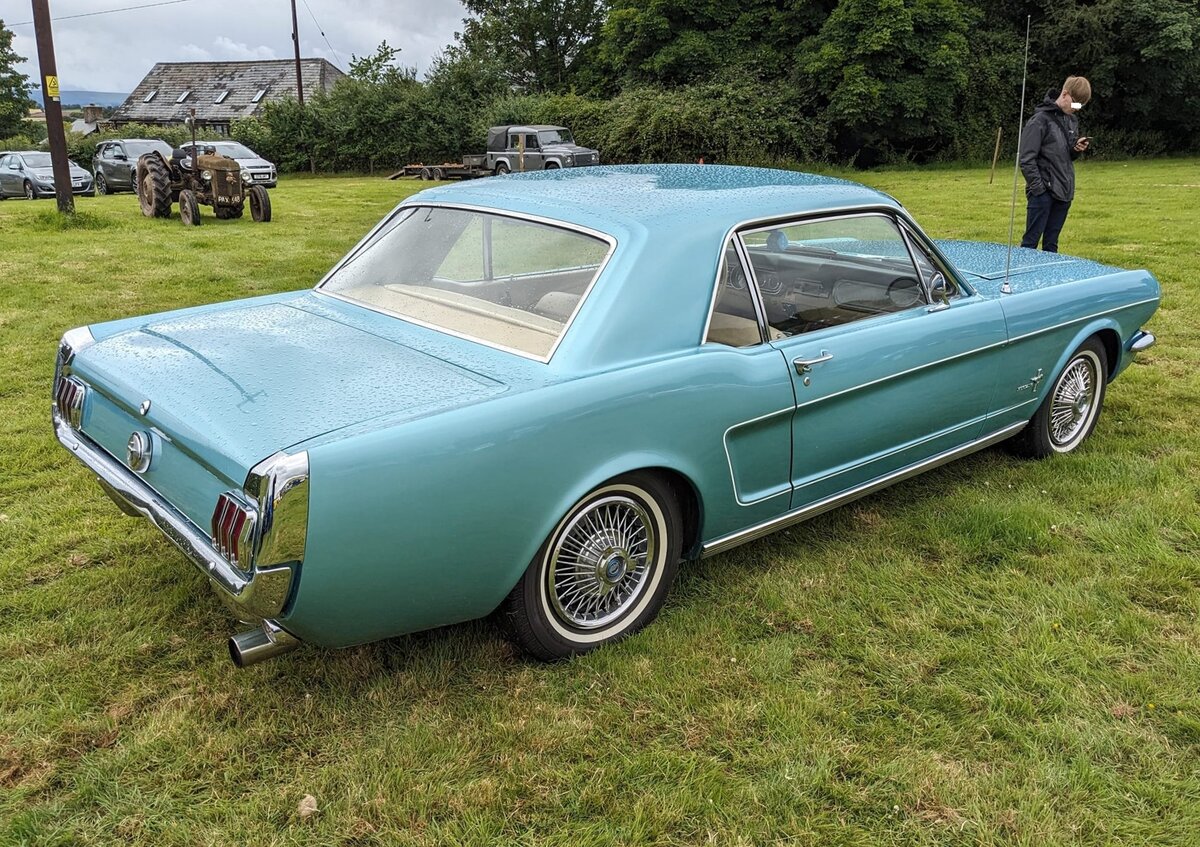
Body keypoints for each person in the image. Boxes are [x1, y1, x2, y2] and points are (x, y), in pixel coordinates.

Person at [1019, 76, 1092, 252]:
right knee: (1030, 243)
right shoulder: (1039, 121)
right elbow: (1026, 159)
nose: (1077, 109)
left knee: (1051, 245)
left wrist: (1076, 149)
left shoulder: (1071, 121)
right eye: (1075, 104)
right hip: (1042, 192)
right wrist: (1039, 190)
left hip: (1064, 191)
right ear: (1065, 94)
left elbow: (1066, 156)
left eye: (1081, 106)